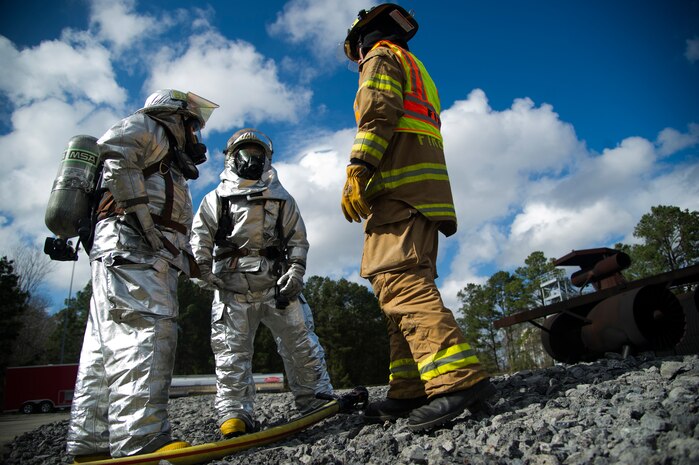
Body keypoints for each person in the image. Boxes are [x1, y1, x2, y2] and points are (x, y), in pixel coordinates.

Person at [340, 4, 496, 432]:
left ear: (363, 38)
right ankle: (410, 390)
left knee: (400, 283)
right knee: (399, 295)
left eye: (355, 50)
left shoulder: (380, 56)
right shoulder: (417, 68)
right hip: (424, 195)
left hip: (399, 193)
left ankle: (455, 383)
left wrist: (359, 166)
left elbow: (377, 111)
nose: (357, 59)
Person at [65, 89, 219, 461]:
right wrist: (146, 228)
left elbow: (171, 221)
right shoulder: (151, 127)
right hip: (134, 247)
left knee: (103, 346)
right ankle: (142, 440)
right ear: (176, 116)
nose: (196, 136)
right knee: (147, 331)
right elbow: (115, 149)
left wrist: (189, 261)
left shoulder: (166, 159)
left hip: (120, 249)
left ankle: (92, 442)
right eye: (193, 126)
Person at [190, 128, 334, 438]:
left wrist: (296, 271)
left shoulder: (283, 200)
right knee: (231, 352)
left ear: (267, 159)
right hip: (231, 287)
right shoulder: (216, 199)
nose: (251, 159)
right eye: (245, 153)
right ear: (232, 159)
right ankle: (234, 412)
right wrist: (202, 268)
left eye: (257, 154)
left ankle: (316, 399)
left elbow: (298, 239)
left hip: (277, 284)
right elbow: (200, 236)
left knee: (301, 343)